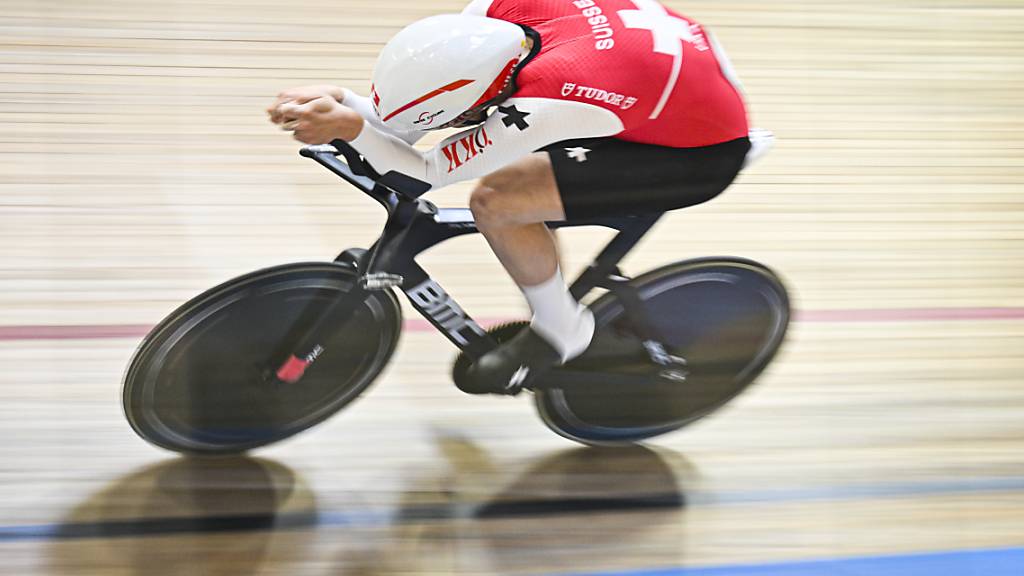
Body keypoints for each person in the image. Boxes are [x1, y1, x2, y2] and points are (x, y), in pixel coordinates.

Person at [267, 0, 753, 395]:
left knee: (498, 202)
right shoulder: (494, 14)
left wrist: (353, 127)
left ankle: (563, 328)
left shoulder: (551, 99)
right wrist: (344, 102)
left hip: (695, 154)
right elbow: (408, 122)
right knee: (513, 180)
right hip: (669, 71)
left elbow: (422, 175)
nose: (454, 125)